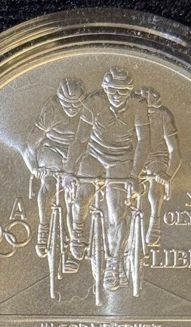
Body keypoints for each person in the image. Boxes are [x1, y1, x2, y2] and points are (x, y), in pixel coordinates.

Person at [64, 69, 151, 289]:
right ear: (105, 89)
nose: (117, 95)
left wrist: (134, 174)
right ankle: (78, 230)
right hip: (94, 156)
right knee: (81, 199)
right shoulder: (94, 102)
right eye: (112, 90)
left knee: (116, 214)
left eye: (122, 91)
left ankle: (114, 263)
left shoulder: (138, 105)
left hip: (121, 160)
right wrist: (69, 171)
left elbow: (143, 142)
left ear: (129, 91)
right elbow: (80, 138)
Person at [22, 79, 86, 260]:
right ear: (60, 100)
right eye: (67, 104)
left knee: (76, 190)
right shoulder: (52, 110)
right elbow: (29, 145)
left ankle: (76, 232)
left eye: (77, 104)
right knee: (49, 184)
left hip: (77, 151)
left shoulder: (89, 108)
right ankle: (44, 226)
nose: (72, 108)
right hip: (52, 150)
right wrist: (35, 167)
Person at [134, 87, 181, 248]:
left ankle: (155, 219)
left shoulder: (163, 115)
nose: (148, 115)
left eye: (152, 111)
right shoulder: (126, 112)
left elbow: (174, 150)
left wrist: (168, 174)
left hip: (156, 157)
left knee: (156, 182)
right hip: (132, 156)